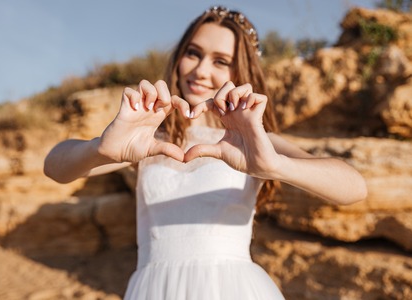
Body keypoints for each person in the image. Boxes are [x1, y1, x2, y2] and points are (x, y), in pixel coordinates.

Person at [44, 5, 367, 299]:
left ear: (239, 73)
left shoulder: (254, 140)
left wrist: (276, 166)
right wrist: (101, 149)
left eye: (220, 61)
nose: (200, 70)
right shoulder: (148, 139)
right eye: (193, 53)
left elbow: (353, 188)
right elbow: (56, 166)